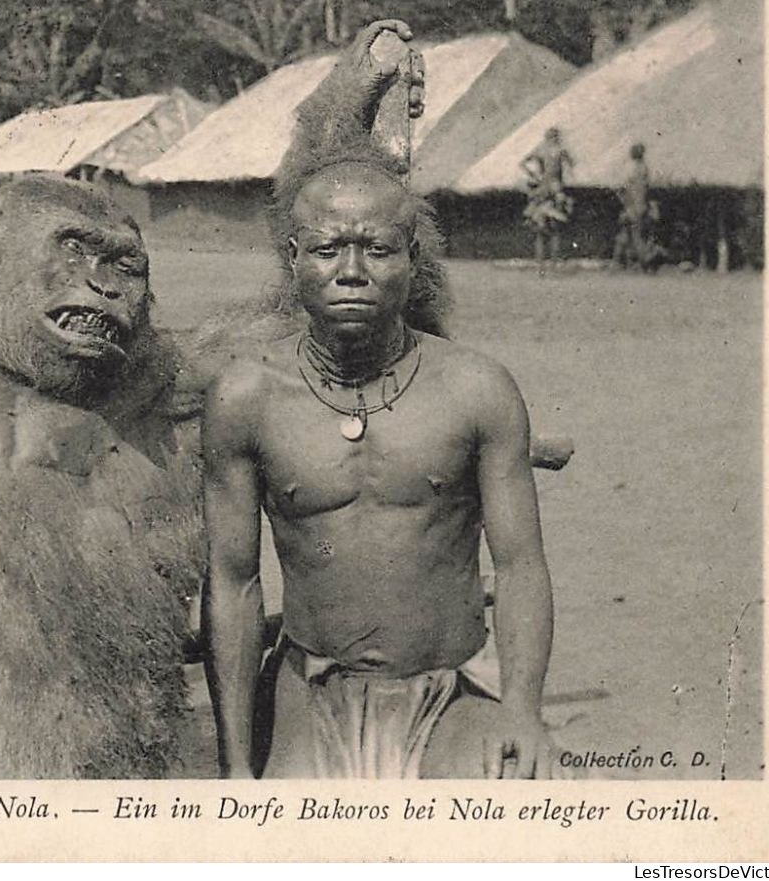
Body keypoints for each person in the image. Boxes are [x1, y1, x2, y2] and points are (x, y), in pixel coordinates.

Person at [202, 147, 558, 779]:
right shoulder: (245, 397)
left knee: (507, 806)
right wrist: (234, 763)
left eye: (379, 249)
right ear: (292, 260)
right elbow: (233, 584)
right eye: (326, 248)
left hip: (451, 688)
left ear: (414, 259)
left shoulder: (477, 389)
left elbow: (521, 563)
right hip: (307, 689)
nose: (352, 271)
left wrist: (524, 711)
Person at [521, 127, 574, 267]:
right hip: (556, 189)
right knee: (555, 229)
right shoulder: (561, 151)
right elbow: (572, 164)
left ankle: (540, 264)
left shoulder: (541, 151)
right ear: (556, 137)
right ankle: (554, 262)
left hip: (542, 189)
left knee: (540, 229)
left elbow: (523, 163)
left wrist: (534, 175)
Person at [613, 143, 656, 271]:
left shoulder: (634, 169)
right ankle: (618, 261)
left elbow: (625, 188)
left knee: (635, 234)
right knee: (626, 232)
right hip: (640, 205)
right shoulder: (644, 169)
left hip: (633, 206)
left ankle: (646, 258)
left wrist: (624, 200)